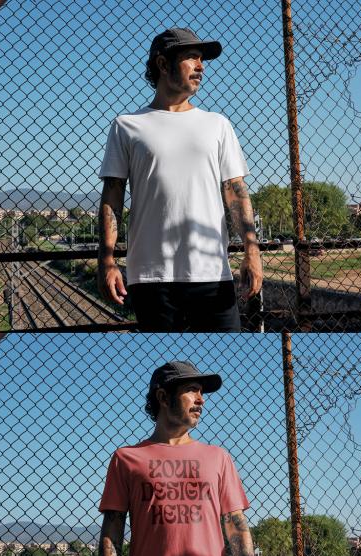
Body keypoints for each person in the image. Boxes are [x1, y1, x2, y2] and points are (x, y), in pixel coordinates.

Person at [97, 360, 263, 556]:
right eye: (191, 391)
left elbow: (237, 526)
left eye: (202, 392)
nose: (201, 399)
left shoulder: (218, 457)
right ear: (162, 397)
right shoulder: (126, 459)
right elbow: (112, 530)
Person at [97, 27, 263, 332]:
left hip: (212, 272)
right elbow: (112, 197)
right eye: (191, 58)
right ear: (162, 64)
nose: (201, 66)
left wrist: (252, 252)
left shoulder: (217, 124)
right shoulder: (127, 126)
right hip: (151, 277)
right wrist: (106, 261)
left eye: (202, 59)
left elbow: (236, 193)